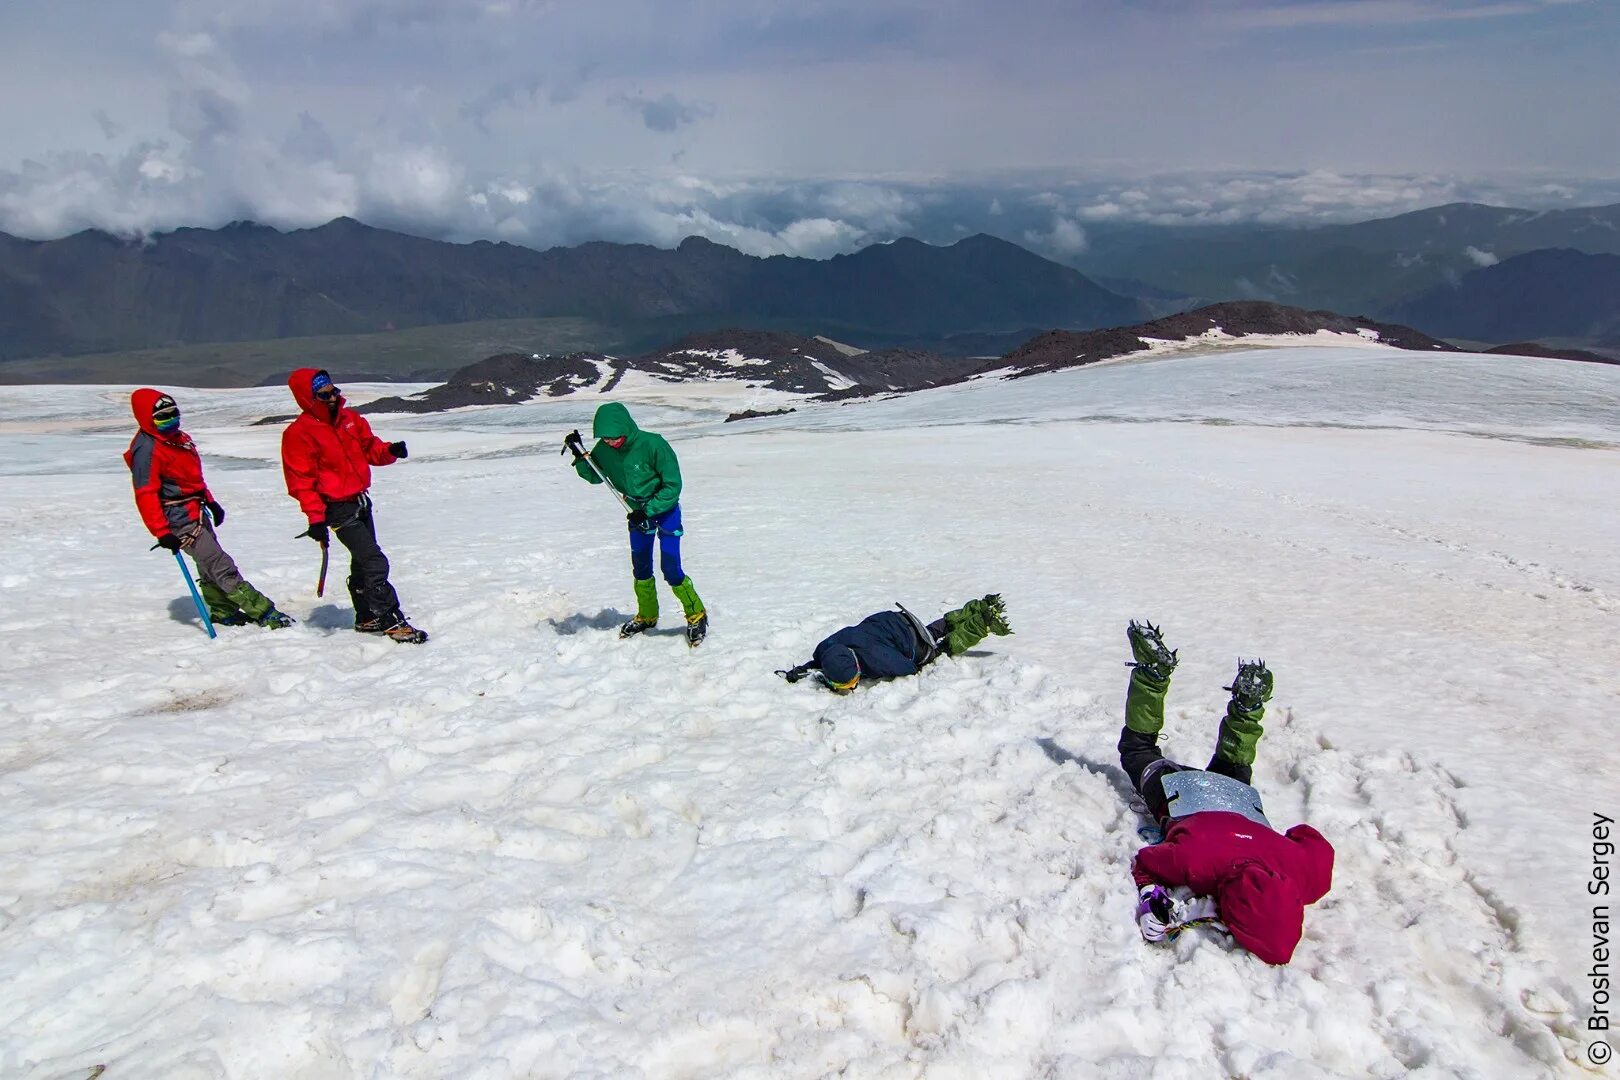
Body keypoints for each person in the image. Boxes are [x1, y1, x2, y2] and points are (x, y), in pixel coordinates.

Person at [1118, 620, 1334, 964]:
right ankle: (1152, 675)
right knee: (1137, 750)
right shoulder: (1198, 865)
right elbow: (1147, 863)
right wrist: (1151, 895)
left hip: (1238, 801)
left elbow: (1310, 838)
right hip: (1183, 795)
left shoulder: (1307, 877)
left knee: (1232, 766)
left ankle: (1246, 709)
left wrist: (1275, 845)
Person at [124, 388, 293, 629]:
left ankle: (223, 612)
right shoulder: (148, 449)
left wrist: (210, 501)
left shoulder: (178, 439)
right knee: (220, 565)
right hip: (179, 520)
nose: (170, 420)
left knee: (208, 566)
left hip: (195, 511)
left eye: (173, 414)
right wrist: (161, 532)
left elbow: (191, 479)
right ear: (146, 418)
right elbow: (145, 494)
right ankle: (264, 611)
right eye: (162, 417)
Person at [280, 368, 427, 644]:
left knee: (362, 562)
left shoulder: (350, 420)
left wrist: (390, 451)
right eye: (324, 394)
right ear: (308, 398)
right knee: (374, 561)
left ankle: (366, 616)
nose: (333, 397)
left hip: (360, 501)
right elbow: (302, 481)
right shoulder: (299, 434)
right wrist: (315, 519)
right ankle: (389, 618)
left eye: (333, 391)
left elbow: (370, 448)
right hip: (336, 508)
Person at [567, 402, 707, 646]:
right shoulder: (604, 449)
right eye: (605, 438)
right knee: (641, 568)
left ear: (626, 428)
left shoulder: (653, 444)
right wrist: (579, 456)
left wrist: (650, 510)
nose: (610, 442)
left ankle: (697, 615)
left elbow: (672, 485)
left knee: (671, 568)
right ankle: (648, 615)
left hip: (665, 512)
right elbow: (594, 476)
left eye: (614, 437)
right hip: (635, 511)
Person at [777, 595, 1012, 693]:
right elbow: (819, 661)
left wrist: (920, 666)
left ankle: (983, 622)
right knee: (930, 631)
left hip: (910, 642)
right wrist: (798, 672)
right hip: (898, 620)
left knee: (934, 651)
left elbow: (907, 668)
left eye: (850, 684)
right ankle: (978, 606)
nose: (852, 687)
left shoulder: (874, 659)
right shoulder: (827, 647)